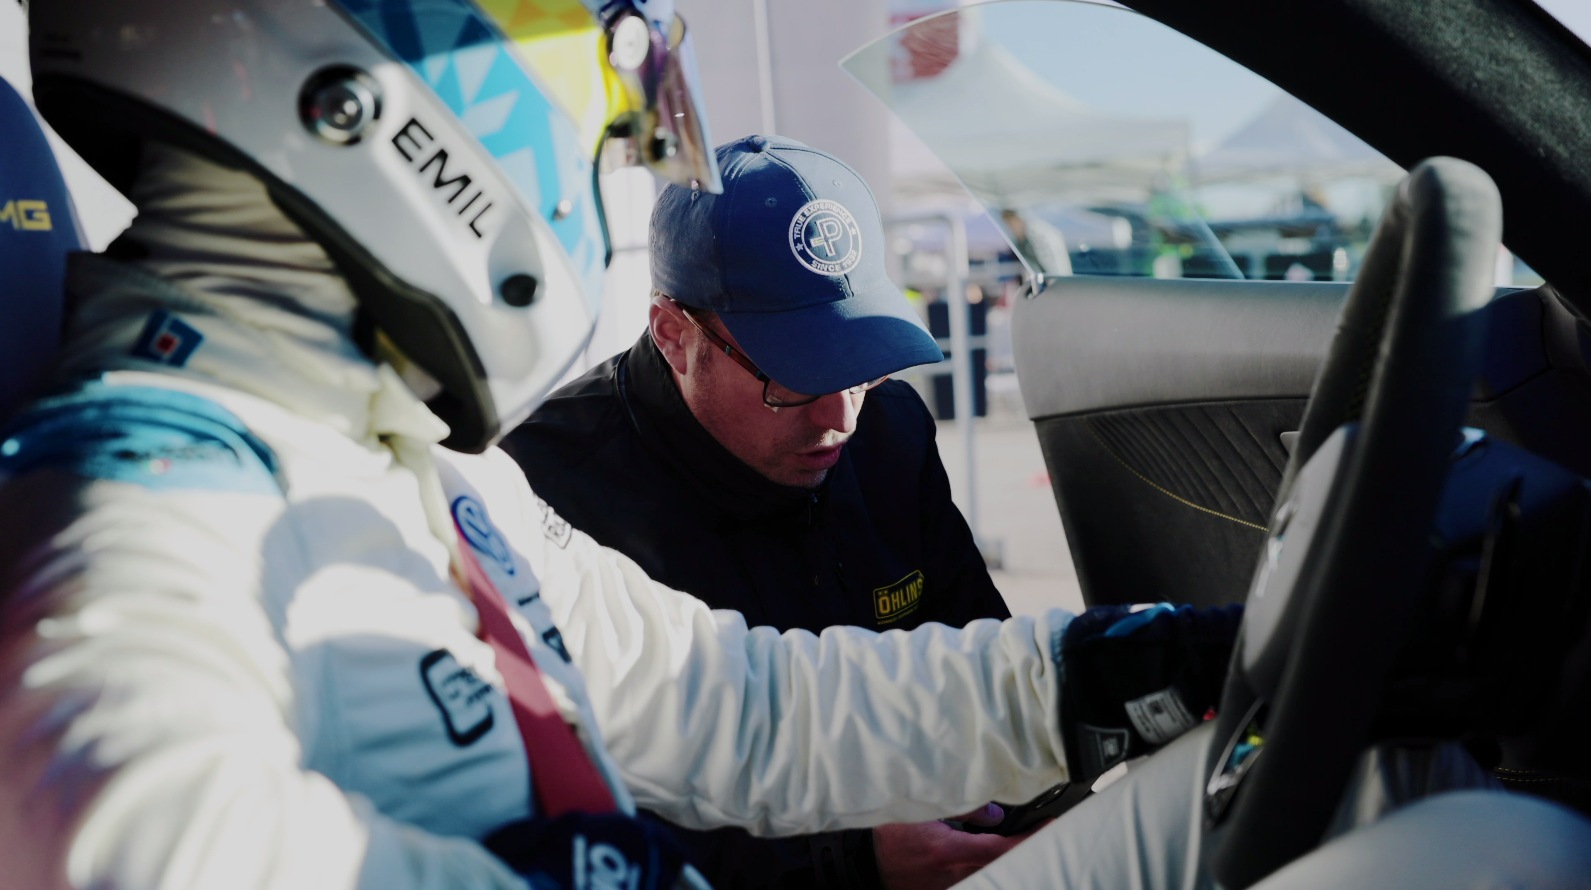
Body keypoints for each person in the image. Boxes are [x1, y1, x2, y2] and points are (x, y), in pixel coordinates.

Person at [0, 1, 1240, 888]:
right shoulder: (152, 477)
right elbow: (108, 834)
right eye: (590, 102)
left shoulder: (411, 461)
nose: (597, 154)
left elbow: (733, 704)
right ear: (367, 105)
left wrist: (1113, 669)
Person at [502, 134, 1021, 890]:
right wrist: (847, 860)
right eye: (796, 377)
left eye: (862, 364)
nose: (841, 417)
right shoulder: (542, 488)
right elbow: (557, 811)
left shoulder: (892, 429)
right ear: (673, 334)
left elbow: (984, 658)